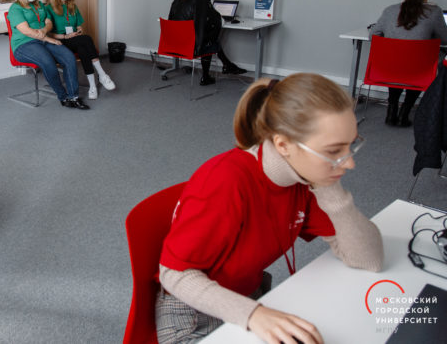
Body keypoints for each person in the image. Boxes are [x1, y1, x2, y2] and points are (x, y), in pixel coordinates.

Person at [156, 73, 383, 344]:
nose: (349, 163)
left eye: (350, 145)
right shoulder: (225, 181)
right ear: (283, 145)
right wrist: (252, 314)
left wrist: (332, 191)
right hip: (193, 315)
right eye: (334, 151)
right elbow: (173, 274)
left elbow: (368, 259)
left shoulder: (303, 177)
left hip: (247, 298)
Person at [370, 0, 447, 127]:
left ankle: (391, 111)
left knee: (399, 66)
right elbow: (445, 39)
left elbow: (373, 35)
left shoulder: (389, 10)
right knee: (421, 66)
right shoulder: (434, 12)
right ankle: (404, 113)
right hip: (419, 69)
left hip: (389, 68)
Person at [8, 0, 89, 109]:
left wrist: (44, 30)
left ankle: (74, 97)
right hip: (24, 45)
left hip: (43, 40)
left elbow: (49, 22)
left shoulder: (40, 5)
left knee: (69, 57)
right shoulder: (15, 8)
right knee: (48, 62)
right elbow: (27, 31)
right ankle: (63, 97)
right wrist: (48, 38)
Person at [168, 0, 246, 85]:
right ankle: (209, 75)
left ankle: (226, 66)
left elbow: (171, 16)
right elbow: (216, 18)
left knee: (208, 38)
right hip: (190, 46)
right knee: (210, 40)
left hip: (174, 43)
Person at [46, 0, 115, 100]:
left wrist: (79, 30)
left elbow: (78, 25)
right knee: (87, 39)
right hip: (60, 41)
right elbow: (48, 34)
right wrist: (65, 36)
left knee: (83, 48)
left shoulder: (72, 6)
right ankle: (102, 75)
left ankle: (92, 86)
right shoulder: (49, 8)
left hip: (74, 39)